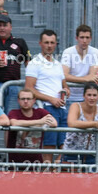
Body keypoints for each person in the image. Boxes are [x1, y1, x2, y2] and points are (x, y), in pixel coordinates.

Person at [25, 29, 69, 160]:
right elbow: (28, 88)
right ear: (40, 43)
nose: (49, 45)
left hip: (61, 107)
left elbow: (64, 85)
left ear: (56, 44)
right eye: (46, 42)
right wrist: (51, 99)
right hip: (46, 107)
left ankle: (59, 172)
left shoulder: (57, 64)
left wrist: (66, 90)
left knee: (65, 144)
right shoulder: (34, 63)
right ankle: (47, 174)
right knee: (49, 144)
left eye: (52, 42)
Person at [64, 83, 98, 166]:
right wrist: (95, 124)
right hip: (71, 152)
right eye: (89, 95)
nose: (92, 98)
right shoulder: (75, 106)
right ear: (83, 96)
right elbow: (71, 123)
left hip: (91, 154)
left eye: (94, 95)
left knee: (92, 178)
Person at [6, 88, 54, 166]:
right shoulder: (14, 112)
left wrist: (25, 124)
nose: (25, 101)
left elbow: (54, 123)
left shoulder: (40, 112)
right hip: (15, 162)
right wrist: (40, 122)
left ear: (34, 100)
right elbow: (14, 123)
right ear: (18, 100)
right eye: (23, 99)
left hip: (36, 162)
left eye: (28, 99)